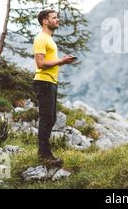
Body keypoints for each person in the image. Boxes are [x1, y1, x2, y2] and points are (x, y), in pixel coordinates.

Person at [33, 9, 76, 166]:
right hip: (43, 82)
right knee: (46, 119)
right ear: (45, 21)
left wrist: (62, 61)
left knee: (51, 119)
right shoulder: (41, 39)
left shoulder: (49, 39)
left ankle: (44, 152)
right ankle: (44, 154)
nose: (57, 20)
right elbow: (41, 63)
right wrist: (62, 61)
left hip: (50, 82)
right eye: (54, 18)